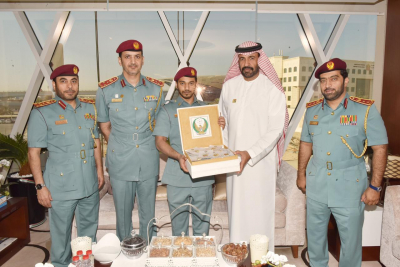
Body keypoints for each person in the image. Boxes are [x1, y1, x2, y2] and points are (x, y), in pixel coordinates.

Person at [297, 58, 388, 267]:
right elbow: (305, 144)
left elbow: (380, 148)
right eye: (323, 80)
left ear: (345, 81)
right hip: (317, 183)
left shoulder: (365, 110)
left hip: (350, 187)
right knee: (316, 238)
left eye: (333, 79)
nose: (327, 85)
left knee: (351, 242)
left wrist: (375, 186)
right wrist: (301, 173)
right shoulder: (312, 110)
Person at [28, 64, 104, 267]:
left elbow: (95, 141)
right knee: (61, 237)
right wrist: (40, 186)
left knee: (88, 234)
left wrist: (99, 169)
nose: (69, 86)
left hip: (88, 184)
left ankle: (84, 265)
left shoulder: (89, 108)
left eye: (73, 81)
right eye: (63, 81)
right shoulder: (42, 113)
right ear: (54, 84)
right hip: (61, 187)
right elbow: (33, 152)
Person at [218, 41, 288, 250]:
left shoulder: (271, 89)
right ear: (237, 61)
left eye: (251, 58)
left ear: (259, 59)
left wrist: (250, 153)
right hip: (235, 164)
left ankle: (260, 260)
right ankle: (237, 258)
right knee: (237, 212)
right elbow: (222, 123)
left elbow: (276, 129)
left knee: (259, 214)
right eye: (242, 59)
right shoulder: (229, 87)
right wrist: (220, 132)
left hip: (260, 165)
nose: (246, 63)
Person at [96, 40, 164, 243]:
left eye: (136, 57)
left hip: (148, 157)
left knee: (147, 213)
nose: (132, 62)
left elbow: (162, 124)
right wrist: (121, 143)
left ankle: (149, 250)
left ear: (142, 60)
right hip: (120, 159)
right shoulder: (105, 90)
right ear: (120, 61)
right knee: (123, 213)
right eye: (127, 57)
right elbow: (104, 126)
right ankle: (125, 254)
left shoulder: (156, 89)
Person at [153, 67, 225, 236]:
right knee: (179, 230)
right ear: (177, 85)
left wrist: (221, 126)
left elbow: (215, 142)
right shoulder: (167, 110)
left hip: (203, 178)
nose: (186, 88)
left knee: (203, 228)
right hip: (177, 177)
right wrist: (178, 156)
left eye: (190, 84)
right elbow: (159, 142)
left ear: (195, 85)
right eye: (182, 83)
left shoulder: (207, 110)